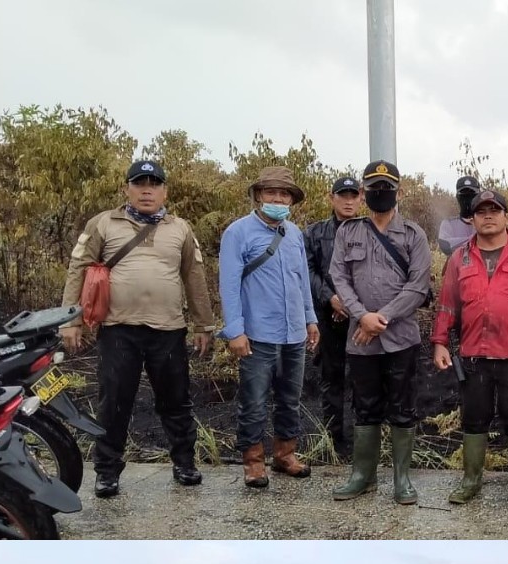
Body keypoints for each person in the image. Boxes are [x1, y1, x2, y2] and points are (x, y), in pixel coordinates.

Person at [61, 159, 216, 498]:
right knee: (114, 402)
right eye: (140, 183)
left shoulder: (180, 228)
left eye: (155, 183)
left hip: (169, 329)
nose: (147, 190)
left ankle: (185, 464)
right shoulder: (104, 223)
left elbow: (195, 277)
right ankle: (106, 472)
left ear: (165, 191)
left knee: (176, 401)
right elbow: (78, 269)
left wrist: (205, 324)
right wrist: (70, 320)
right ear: (127, 188)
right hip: (119, 329)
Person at [432, 189, 508, 506]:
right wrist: (440, 342)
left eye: (494, 210)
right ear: (471, 219)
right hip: (474, 355)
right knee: (474, 418)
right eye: (481, 211)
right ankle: (471, 480)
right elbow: (447, 306)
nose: (488, 215)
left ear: (507, 217)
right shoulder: (460, 258)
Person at [329, 161, 433, 505]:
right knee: (365, 407)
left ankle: (402, 479)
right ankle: (363, 476)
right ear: (363, 192)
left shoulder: (414, 235)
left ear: (399, 192)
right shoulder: (348, 232)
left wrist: (381, 318)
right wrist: (361, 316)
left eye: (386, 187)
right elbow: (339, 277)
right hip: (360, 340)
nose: (380, 192)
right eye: (373, 187)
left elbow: (418, 287)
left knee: (403, 408)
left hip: (400, 338)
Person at [219, 166, 318, 489]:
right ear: (259, 195)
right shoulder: (238, 233)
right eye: (271, 192)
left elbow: (302, 280)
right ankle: (253, 461)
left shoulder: (294, 234)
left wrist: (310, 318)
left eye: (284, 193)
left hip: (293, 332)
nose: (277, 198)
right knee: (254, 400)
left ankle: (285, 454)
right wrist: (234, 330)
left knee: (290, 398)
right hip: (257, 333)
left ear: (291, 199)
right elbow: (229, 285)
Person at [305, 176, 362, 457]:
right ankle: (333, 440)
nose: (348, 201)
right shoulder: (314, 233)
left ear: (361, 199)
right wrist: (331, 298)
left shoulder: (370, 230)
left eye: (353, 195)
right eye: (343, 195)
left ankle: (364, 439)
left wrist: (351, 304)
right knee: (332, 377)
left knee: (365, 377)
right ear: (332, 198)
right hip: (327, 317)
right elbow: (309, 271)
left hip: (362, 317)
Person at [438, 175, 480, 256]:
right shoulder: (448, 223)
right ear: (457, 197)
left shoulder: (485, 221)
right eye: (464, 195)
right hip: (456, 267)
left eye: (472, 195)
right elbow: (446, 246)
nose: (467, 199)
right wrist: (475, 239)